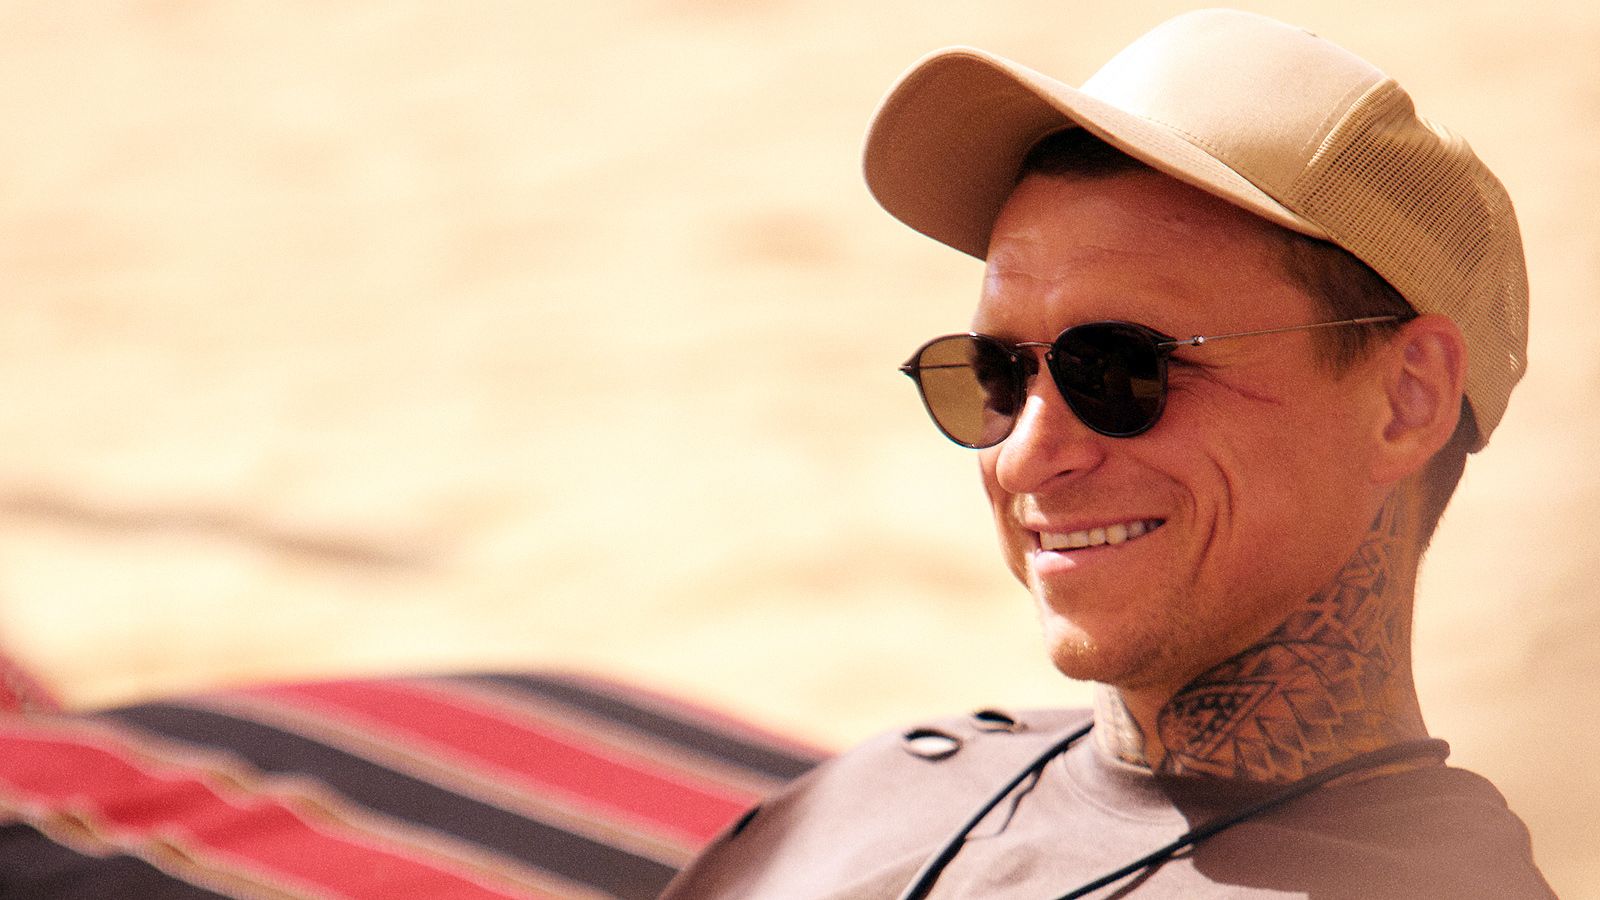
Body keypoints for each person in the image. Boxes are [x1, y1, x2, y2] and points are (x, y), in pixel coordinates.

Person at [661, 9, 1554, 899]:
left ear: (1406, 400)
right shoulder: (866, 802)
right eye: (999, 372)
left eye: (1122, 368)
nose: (1025, 458)